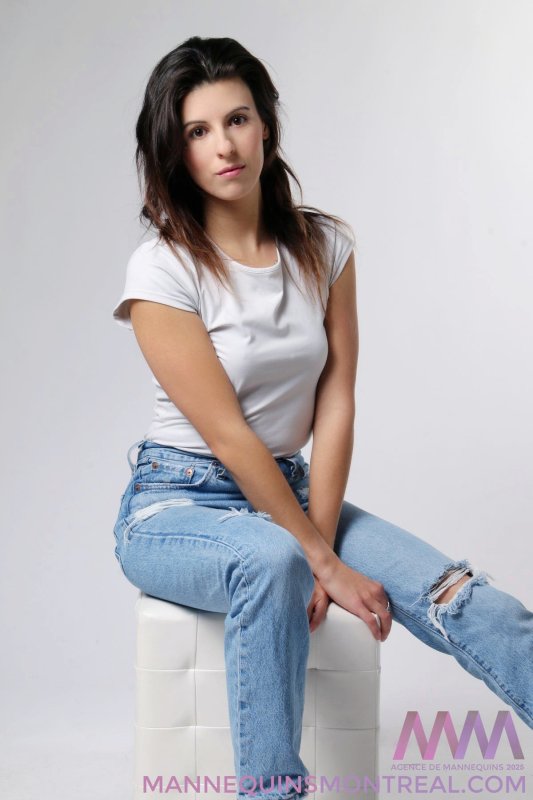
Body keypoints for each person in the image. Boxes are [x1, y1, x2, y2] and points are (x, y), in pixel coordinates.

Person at [112, 35, 533, 799]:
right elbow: (227, 435)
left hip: (291, 492)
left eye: (236, 119)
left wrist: (321, 538)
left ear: (265, 126)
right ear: (176, 152)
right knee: (270, 560)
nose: (223, 146)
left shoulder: (323, 245)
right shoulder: (162, 268)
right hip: (177, 505)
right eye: (198, 131)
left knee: (465, 600)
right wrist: (318, 558)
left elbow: (336, 400)